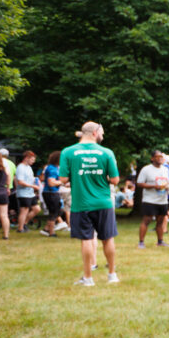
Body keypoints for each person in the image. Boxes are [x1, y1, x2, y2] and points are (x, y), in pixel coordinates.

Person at [59, 121, 120, 285]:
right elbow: (115, 179)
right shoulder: (106, 152)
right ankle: (112, 275)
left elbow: (63, 179)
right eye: (102, 133)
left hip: (81, 203)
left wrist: (79, 177)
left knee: (86, 239)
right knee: (108, 238)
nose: (103, 136)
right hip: (104, 203)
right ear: (94, 133)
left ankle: (88, 278)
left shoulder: (68, 152)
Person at [136, 150, 169, 248]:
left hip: (162, 200)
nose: (160, 158)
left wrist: (168, 186)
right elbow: (139, 183)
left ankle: (160, 241)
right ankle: (141, 242)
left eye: (161, 156)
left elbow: (167, 182)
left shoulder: (165, 169)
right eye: (158, 156)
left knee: (160, 222)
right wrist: (153, 186)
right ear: (152, 158)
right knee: (146, 220)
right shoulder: (146, 169)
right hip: (150, 200)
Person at [15, 151, 42, 232]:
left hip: (30, 193)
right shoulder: (20, 167)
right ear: (26, 158)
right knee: (24, 210)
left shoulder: (29, 167)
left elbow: (31, 178)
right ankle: (20, 228)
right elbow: (20, 182)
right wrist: (32, 186)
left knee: (37, 209)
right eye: (32, 159)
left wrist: (36, 181)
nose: (33, 161)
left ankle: (24, 223)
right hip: (23, 193)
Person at [40, 151, 63, 237]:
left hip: (52, 192)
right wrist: (63, 182)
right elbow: (51, 183)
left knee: (58, 211)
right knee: (54, 212)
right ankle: (51, 232)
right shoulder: (52, 168)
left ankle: (46, 229)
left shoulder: (55, 168)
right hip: (50, 193)